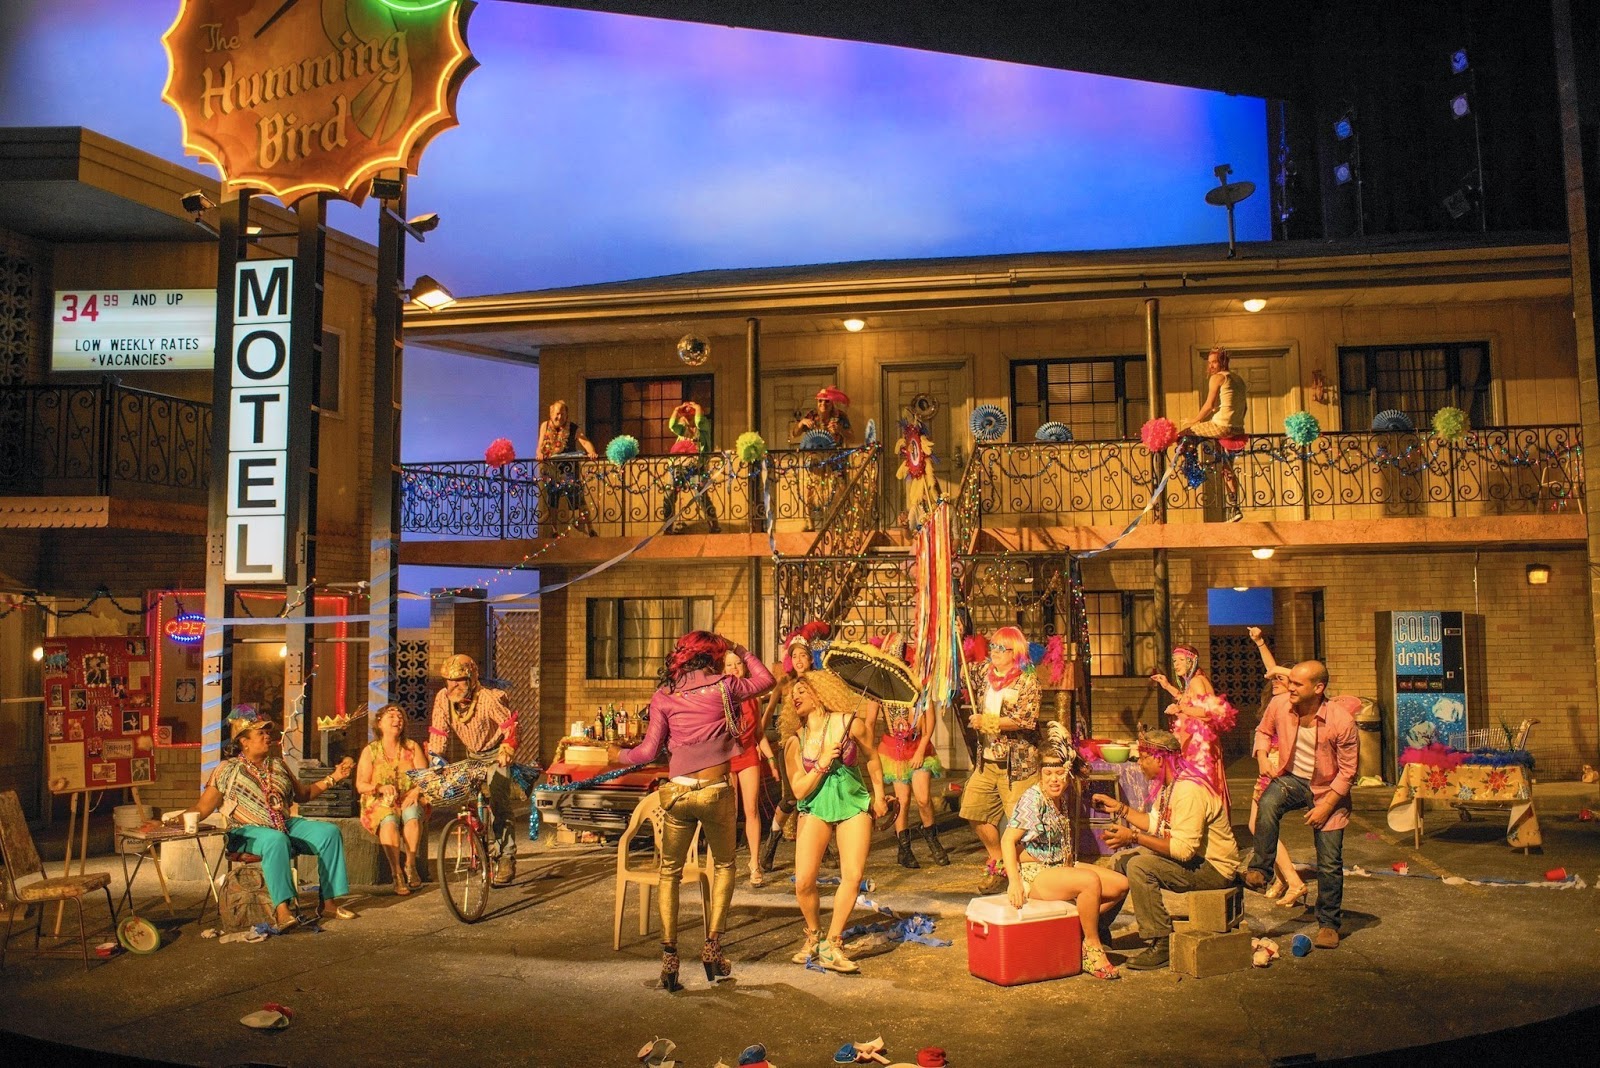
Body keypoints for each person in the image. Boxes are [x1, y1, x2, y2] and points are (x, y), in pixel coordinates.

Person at [609, 632, 774, 991]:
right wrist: (739, 648)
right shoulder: (726, 686)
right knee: (725, 866)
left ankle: (670, 957)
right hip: (715, 791)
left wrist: (617, 755)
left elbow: (647, 752)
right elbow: (766, 680)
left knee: (669, 872)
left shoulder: (664, 695)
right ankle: (712, 947)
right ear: (713, 656)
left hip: (678, 793)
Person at [179, 706, 356, 930]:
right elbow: (202, 807)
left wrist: (335, 777)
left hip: (283, 824)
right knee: (275, 840)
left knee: (328, 833)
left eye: (267, 732)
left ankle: (328, 903)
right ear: (244, 741)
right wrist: (171, 821)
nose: (267, 736)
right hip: (245, 831)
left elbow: (303, 795)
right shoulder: (227, 769)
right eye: (260, 733)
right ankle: (282, 909)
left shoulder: (278, 765)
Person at [1093, 727, 1242, 971]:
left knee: (1140, 866)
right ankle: (1099, 929)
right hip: (1194, 860)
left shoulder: (1189, 790)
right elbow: (1156, 824)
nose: (1139, 763)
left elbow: (1183, 850)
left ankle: (1160, 940)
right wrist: (1119, 808)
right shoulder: (1170, 786)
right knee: (1122, 860)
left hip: (1214, 868)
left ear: (1159, 759)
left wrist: (1133, 836)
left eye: (1144, 757)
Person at [1244, 661, 1359, 950]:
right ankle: (1261, 870)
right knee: (1268, 801)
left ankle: (1329, 924)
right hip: (1293, 779)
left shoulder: (1341, 720)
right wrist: (1262, 757)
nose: (1290, 687)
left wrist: (1326, 807)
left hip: (1329, 789)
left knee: (1329, 861)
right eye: (1290, 681)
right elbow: (1262, 731)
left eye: (1297, 684)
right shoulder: (1280, 704)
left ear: (1318, 688)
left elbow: (1348, 772)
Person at [785, 668, 888, 973]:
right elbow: (798, 789)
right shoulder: (795, 741)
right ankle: (814, 935)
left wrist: (880, 795)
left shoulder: (849, 723)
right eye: (792, 693)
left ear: (820, 692)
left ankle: (833, 943)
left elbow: (872, 757)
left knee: (852, 875)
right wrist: (820, 763)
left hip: (852, 803)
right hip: (815, 807)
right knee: (804, 881)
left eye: (802, 690)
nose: (795, 696)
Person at [1001, 750, 1127, 980]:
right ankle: (1092, 946)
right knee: (1089, 881)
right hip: (1036, 873)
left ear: (1068, 775)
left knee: (1120, 885)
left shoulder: (1062, 797)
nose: (1054, 779)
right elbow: (1007, 840)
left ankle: (1072, 930)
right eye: (1048, 773)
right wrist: (1014, 882)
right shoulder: (1033, 799)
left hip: (1061, 865)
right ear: (1040, 775)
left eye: (1059, 773)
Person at [962, 626, 1043, 895]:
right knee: (973, 809)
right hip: (987, 761)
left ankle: (1024, 871)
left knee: (1022, 824)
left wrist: (987, 722)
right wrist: (957, 634)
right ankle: (999, 862)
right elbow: (959, 669)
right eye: (993, 646)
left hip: (1017, 765)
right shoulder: (985, 673)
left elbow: (1026, 720)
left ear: (1015, 653)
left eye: (1001, 648)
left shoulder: (1027, 681)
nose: (994, 652)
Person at [428, 654, 520, 887]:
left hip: (495, 753)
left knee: (499, 802)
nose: (453, 686)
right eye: (449, 680)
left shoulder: (488, 699)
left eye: (459, 680)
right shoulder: (443, 699)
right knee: (462, 795)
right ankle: (478, 837)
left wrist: (507, 750)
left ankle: (506, 856)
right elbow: (439, 731)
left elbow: (509, 727)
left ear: (471, 679)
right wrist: (436, 758)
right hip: (473, 755)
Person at [874, 635, 948, 869]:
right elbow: (868, 723)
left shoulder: (917, 685)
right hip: (894, 749)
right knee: (903, 800)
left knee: (924, 798)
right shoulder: (880, 688)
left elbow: (929, 721)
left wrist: (921, 749)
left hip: (918, 746)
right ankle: (904, 848)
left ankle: (932, 838)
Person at [1246, 626, 1306, 906]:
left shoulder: (1295, 704)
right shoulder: (1275, 704)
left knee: (1259, 825)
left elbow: (1279, 671)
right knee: (1259, 826)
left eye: (1281, 679)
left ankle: (1293, 882)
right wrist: (1259, 642)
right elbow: (1271, 671)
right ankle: (1284, 878)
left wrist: (1262, 646)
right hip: (1267, 769)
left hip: (1281, 771)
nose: (1274, 681)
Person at [757, 625, 823, 874]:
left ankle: (823, 849)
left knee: (816, 794)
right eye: (794, 656)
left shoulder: (819, 682)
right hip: (790, 746)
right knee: (791, 798)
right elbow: (765, 716)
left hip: (814, 744)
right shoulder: (784, 683)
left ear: (810, 658)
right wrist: (758, 739)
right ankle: (771, 844)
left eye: (803, 655)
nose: (799, 660)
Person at [356, 704, 429, 896]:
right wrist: (379, 788)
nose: (397, 720)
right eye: (392, 716)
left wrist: (415, 792)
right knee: (388, 820)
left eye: (400, 717)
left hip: (408, 796)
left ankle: (410, 865)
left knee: (412, 815)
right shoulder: (371, 750)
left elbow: (425, 777)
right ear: (379, 723)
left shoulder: (411, 747)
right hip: (379, 800)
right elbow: (361, 785)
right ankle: (396, 872)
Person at [1152, 643, 1235, 809]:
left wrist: (1180, 709)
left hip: (1200, 748)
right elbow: (1187, 700)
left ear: (1192, 661)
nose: (1176, 664)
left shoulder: (1197, 681)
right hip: (1194, 745)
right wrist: (1167, 686)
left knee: (1199, 789)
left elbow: (1209, 712)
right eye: (1174, 661)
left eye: (1181, 660)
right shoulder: (1193, 682)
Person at [1177, 345, 1248, 521]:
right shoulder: (1238, 379)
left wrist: (1194, 420)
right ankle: (1235, 508)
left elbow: (1209, 405)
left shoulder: (1217, 378)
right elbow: (1243, 407)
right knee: (1227, 467)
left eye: (1215, 362)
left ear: (1223, 361)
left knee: (1183, 435)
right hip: (1237, 428)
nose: (1211, 366)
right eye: (1210, 363)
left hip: (1221, 426)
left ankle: (1194, 474)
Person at [722, 648, 767, 886]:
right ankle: (726, 863)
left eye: (738, 664)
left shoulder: (752, 696)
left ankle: (754, 862)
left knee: (751, 809)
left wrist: (771, 758)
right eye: (729, 665)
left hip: (748, 754)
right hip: (726, 756)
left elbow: (758, 732)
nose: (734, 669)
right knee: (729, 811)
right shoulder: (719, 694)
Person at [792, 387, 852, 529]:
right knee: (809, 490)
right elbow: (794, 434)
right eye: (820, 401)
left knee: (838, 491)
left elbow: (852, 437)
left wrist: (840, 430)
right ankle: (810, 523)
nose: (823, 404)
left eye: (826, 401)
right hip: (815, 462)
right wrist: (801, 423)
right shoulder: (812, 415)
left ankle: (837, 523)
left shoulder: (840, 417)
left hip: (834, 461)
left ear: (832, 402)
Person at [537, 399, 598, 535]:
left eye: (563, 414)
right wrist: (540, 453)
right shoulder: (545, 426)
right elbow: (540, 443)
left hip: (570, 470)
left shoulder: (573, 428)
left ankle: (590, 529)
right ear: (551, 414)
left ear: (567, 415)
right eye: (557, 414)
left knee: (579, 499)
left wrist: (592, 452)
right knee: (553, 500)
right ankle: (554, 531)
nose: (560, 417)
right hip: (552, 469)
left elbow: (585, 442)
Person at [662, 400, 720, 533]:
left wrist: (697, 407)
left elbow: (699, 421)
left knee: (700, 495)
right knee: (669, 494)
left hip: (696, 468)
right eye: (685, 415)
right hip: (677, 466)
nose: (687, 416)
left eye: (691, 414)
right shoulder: (682, 430)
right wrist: (677, 410)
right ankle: (668, 527)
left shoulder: (703, 428)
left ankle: (714, 525)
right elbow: (672, 425)